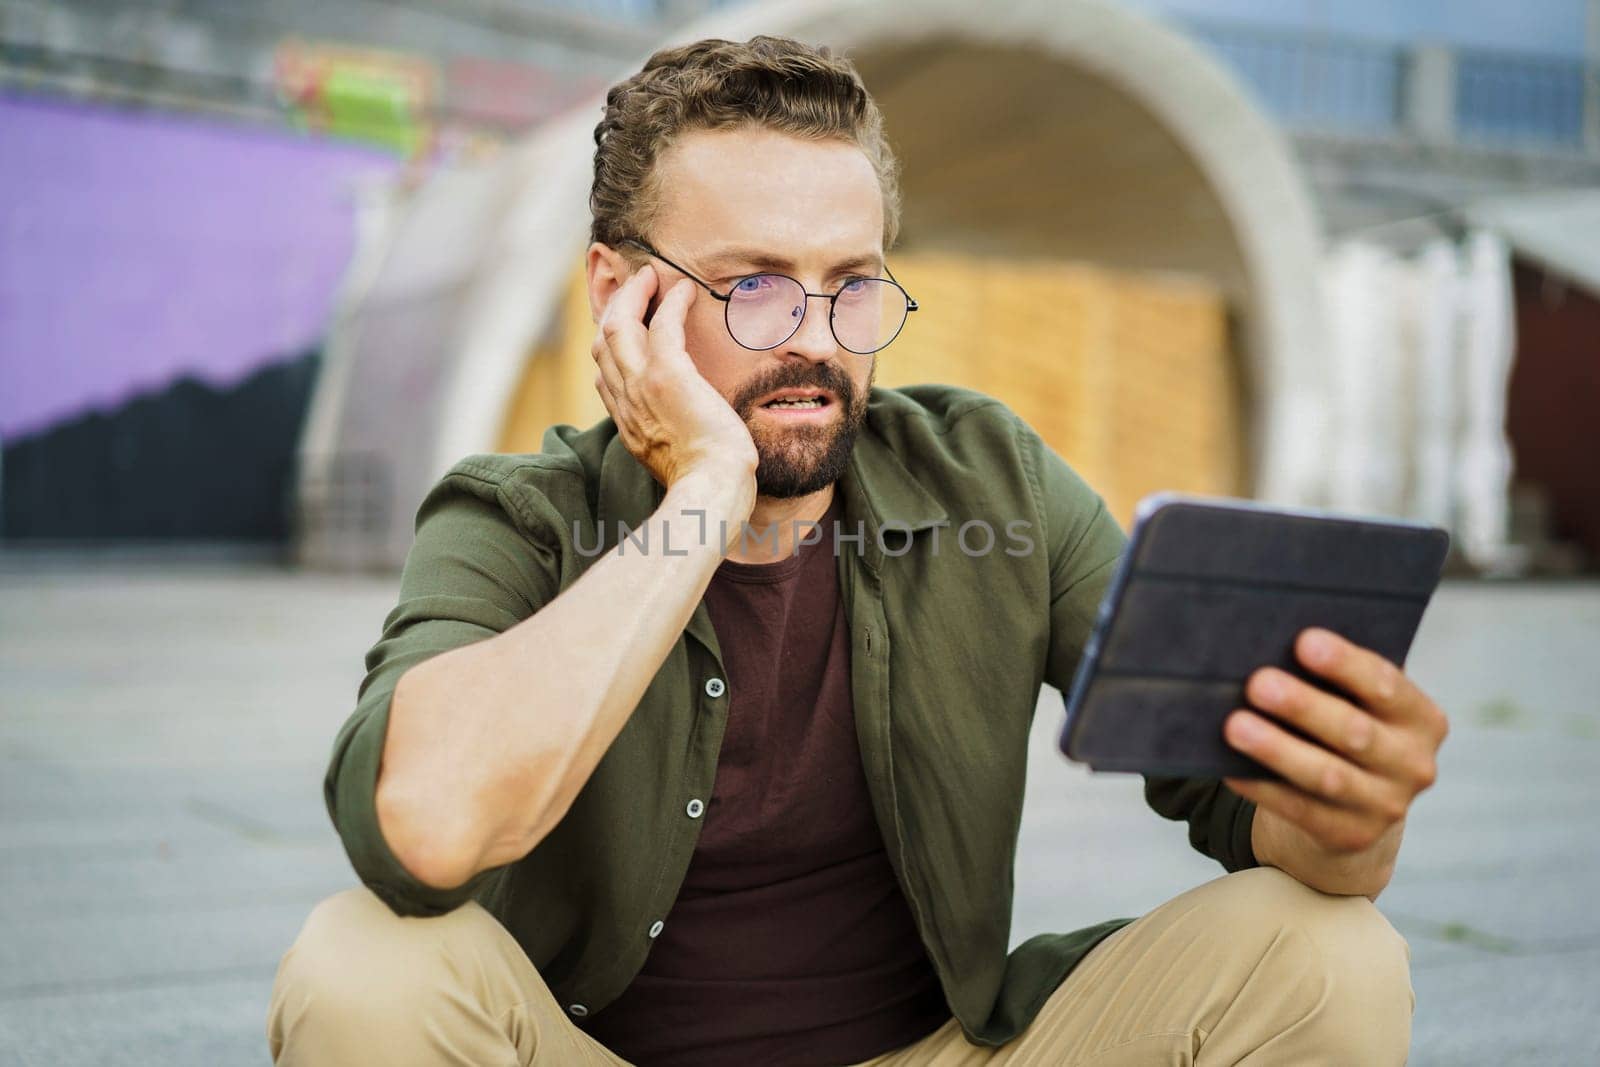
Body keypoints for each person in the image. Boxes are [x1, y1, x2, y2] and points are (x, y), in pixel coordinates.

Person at [268, 35, 1446, 1066]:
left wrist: (1348, 807)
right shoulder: (516, 517)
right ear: (618, 293)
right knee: (362, 967)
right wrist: (706, 493)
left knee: (1325, 949)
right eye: (753, 288)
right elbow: (422, 830)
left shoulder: (991, 478)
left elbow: (1258, 818)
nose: (817, 343)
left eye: (852, 285)